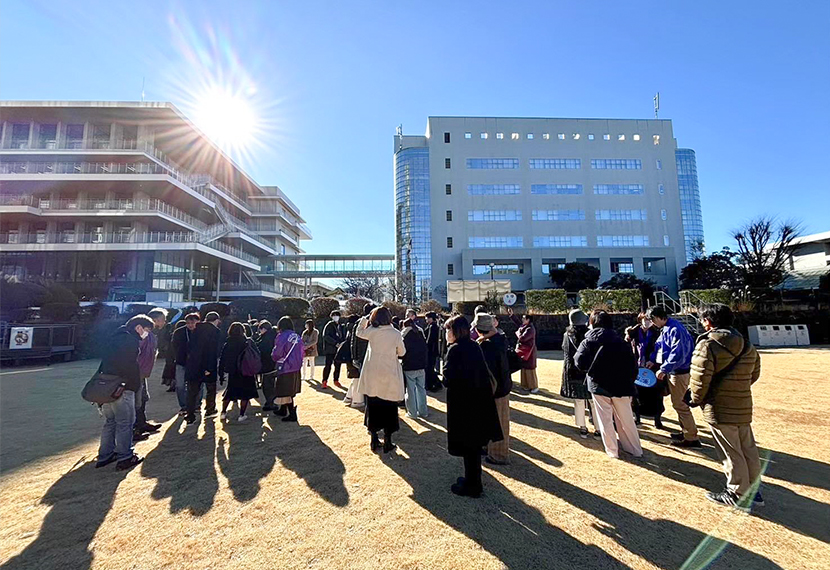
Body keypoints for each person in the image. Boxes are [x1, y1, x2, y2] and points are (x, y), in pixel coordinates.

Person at [689, 304, 764, 511]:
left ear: (708, 321)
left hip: (719, 404)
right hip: (742, 402)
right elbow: (754, 373)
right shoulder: (746, 344)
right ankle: (753, 489)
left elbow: (699, 379)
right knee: (748, 447)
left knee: (730, 450)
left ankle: (737, 492)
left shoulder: (708, 345)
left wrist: (695, 399)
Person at [443, 315, 503, 497]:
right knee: (474, 447)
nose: (446, 333)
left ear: (455, 331)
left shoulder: (455, 350)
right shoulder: (474, 346)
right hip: (479, 403)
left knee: (469, 447)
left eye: (448, 330)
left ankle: (473, 485)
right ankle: (472, 480)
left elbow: (449, 379)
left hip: (463, 406)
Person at [575, 310, 642, 459]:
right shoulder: (620, 341)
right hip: (622, 385)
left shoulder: (588, 341)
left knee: (604, 419)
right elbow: (632, 364)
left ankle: (612, 451)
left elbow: (579, 361)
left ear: (592, 323)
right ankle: (634, 449)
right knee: (626, 419)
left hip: (599, 385)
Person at [95, 314, 154, 471]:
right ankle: (125, 456)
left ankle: (105, 455)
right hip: (122, 387)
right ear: (138, 327)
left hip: (106, 386)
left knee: (110, 422)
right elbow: (130, 366)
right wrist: (133, 386)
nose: (146, 335)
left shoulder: (114, 337)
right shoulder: (130, 341)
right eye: (146, 330)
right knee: (125, 422)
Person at [351, 307, 406, 453]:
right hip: (389, 373)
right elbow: (402, 352)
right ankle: (388, 440)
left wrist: (366, 318)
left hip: (372, 372)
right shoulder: (395, 333)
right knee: (389, 407)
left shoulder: (372, 332)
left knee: (373, 405)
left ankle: (374, 439)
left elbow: (359, 332)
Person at [647, 306, 700, 448]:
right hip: (674, 371)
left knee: (680, 404)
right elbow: (660, 346)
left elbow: (678, 353)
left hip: (679, 372)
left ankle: (691, 437)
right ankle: (686, 432)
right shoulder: (667, 328)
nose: (652, 323)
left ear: (657, 318)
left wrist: (664, 368)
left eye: (652, 320)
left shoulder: (675, 329)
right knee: (678, 403)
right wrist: (653, 359)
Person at [473, 313, 512, 465]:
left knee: (498, 424)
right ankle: (490, 448)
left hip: (495, 389)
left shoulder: (486, 345)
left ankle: (498, 454)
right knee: (494, 422)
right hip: (502, 387)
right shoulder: (500, 338)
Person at [560, 309, 597, 438]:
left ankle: (583, 427)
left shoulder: (567, 335)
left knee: (579, 401)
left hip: (573, 371)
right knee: (593, 401)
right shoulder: (590, 334)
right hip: (589, 371)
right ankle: (598, 428)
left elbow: (566, 353)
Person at [625, 312, 664, 429]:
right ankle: (637, 417)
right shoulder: (634, 332)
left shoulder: (657, 333)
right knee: (637, 394)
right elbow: (627, 344)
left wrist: (654, 361)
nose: (647, 322)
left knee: (656, 394)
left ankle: (657, 419)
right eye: (644, 320)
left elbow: (661, 349)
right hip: (638, 366)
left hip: (653, 365)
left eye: (649, 320)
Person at [133, 307, 165, 441]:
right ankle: (135, 428)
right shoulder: (145, 334)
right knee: (137, 400)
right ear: (156, 320)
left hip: (143, 371)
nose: (164, 322)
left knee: (143, 398)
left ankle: (141, 423)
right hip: (137, 372)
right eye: (163, 319)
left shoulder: (151, 334)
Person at [219, 322, 259, 422]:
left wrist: (221, 373)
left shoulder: (228, 343)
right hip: (246, 370)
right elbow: (257, 354)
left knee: (230, 392)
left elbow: (222, 358)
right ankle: (241, 414)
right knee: (245, 394)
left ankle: (223, 412)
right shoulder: (247, 341)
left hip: (233, 371)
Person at [184, 316, 221, 425]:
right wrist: (209, 367)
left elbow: (190, 347)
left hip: (193, 365)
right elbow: (212, 351)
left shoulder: (195, 330)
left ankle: (190, 414)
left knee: (192, 392)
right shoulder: (215, 332)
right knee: (211, 388)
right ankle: (210, 409)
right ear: (216, 320)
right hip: (208, 365)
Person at [271, 317, 303, 422]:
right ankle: (283, 409)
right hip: (296, 367)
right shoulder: (297, 336)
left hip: (285, 366)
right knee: (290, 390)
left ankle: (292, 414)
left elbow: (277, 352)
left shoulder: (282, 336)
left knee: (285, 390)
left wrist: (273, 357)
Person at [344, 303, 375, 407]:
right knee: (360, 380)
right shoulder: (369, 323)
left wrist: (354, 356)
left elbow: (353, 341)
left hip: (357, 355)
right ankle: (357, 401)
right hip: (364, 356)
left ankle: (349, 397)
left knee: (356, 378)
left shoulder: (359, 323)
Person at [400, 317, 428, 419]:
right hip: (421, 366)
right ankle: (423, 411)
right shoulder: (420, 333)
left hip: (409, 366)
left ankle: (412, 413)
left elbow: (402, 353)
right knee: (421, 390)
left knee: (410, 391)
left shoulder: (404, 336)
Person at [171, 315, 197, 416]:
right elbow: (173, 346)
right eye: (188, 323)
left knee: (196, 385)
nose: (190, 325)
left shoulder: (201, 332)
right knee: (180, 385)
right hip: (181, 361)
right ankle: (184, 406)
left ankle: (196, 405)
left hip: (196, 362)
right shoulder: (179, 332)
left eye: (192, 323)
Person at [256, 320, 279, 411]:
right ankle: (273, 402)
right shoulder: (274, 336)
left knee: (267, 386)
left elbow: (262, 350)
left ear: (264, 329)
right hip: (274, 364)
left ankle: (270, 403)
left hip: (267, 365)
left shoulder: (265, 338)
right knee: (272, 384)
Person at [514, 312, 539, 393]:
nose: (522, 319)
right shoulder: (525, 327)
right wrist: (512, 315)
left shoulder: (530, 329)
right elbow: (518, 324)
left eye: (524, 318)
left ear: (528, 320)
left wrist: (517, 333)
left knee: (530, 369)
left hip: (529, 352)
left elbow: (523, 338)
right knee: (524, 368)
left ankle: (534, 386)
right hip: (524, 351)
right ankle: (526, 385)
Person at [321, 310, 345, 389]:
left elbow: (342, 336)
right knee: (328, 366)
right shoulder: (329, 325)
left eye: (337, 315)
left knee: (338, 365)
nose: (335, 317)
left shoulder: (341, 326)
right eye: (334, 315)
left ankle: (336, 380)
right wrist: (335, 343)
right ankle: (324, 381)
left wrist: (341, 343)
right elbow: (326, 336)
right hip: (330, 349)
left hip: (338, 349)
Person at [424, 311, 442, 392]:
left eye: (427, 318)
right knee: (430, 368)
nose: (426, 319)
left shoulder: (432, 327)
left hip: (431, 350)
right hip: (433, 350)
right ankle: (435, 383)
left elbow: (430, 339)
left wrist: (425, 347)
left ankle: (434, 384)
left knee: (429, 368)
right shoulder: (435, 326)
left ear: (431, 318)